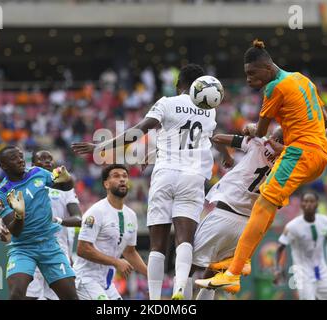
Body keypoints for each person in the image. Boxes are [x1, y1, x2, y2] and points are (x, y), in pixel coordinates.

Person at [72, 64, 217, 300]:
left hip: (165, 174)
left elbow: (139, 130)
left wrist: (101, 146)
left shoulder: (167, 103)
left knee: (158, 244)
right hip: (193, 177)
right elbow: (191, 140)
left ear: (178, 83)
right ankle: (180, 288)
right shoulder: (210, 111)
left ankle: (156, 297)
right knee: (184, 239)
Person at [204, 39, 327, 293]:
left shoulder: (274, 87)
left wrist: (253, 128)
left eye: (252, 73)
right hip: (319, 155)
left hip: (298, 154)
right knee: (269, 204)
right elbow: (325, 120)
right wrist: (287, 127)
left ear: (267, 67)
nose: (249, 79)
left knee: (262, 204)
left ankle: (234, 271)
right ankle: (242, 261)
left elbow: (259, 131)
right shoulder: (302, 80)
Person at [193, 127, 283, 299]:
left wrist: (228, 156)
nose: (270, 135)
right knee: (214, 272)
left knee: (187, 264)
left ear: (276, 140)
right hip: (247, 225)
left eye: (274, 135)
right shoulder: (287, 165)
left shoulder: (258, 143)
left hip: (225, 212)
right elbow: (277, 204)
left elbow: (217, 138)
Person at [0, 145, 77, 300]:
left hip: (49, 245)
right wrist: (19, 214)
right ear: (3, 165)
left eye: (20, 156)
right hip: (23, 248)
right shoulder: (2, 193)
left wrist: (67, 177)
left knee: (71, 296)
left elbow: (66, 187)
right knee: (16, 294)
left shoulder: (38, 173)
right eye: (14, 158)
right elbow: (16, 231)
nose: (20, 160)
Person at [75, 164, 147, 300]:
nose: (122, 179)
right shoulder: (96, 211)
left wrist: (150, 275)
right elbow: (82, 249)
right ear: (106, 184)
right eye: (116, 176)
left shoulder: (131, 215)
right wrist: (116, 262)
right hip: (87, 280)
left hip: (107, 283)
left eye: (125, 176)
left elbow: (129, 252)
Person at [274, 191, 327, 300]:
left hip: (322, 269)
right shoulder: (292, 226)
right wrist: (277, 269)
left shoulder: (324, 221)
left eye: (311, 201)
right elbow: (279, 248)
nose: (308, 204)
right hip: (302, 272)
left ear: (317, 204)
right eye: (305, 201)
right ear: (301, 204)